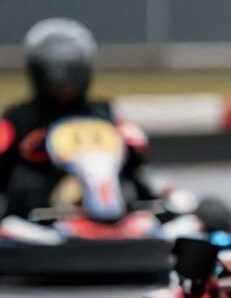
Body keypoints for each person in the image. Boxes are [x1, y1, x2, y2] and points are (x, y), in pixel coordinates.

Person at [1, 18, 160, 219]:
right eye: (55, 73)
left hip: (103, 198)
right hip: (38, 214)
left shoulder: (102, 113)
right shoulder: (20, 119)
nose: (64, 84)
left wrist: (130, 147)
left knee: (133, 181)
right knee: (25, 182)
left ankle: (129, 219)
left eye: (72, 73)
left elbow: (134, 155)